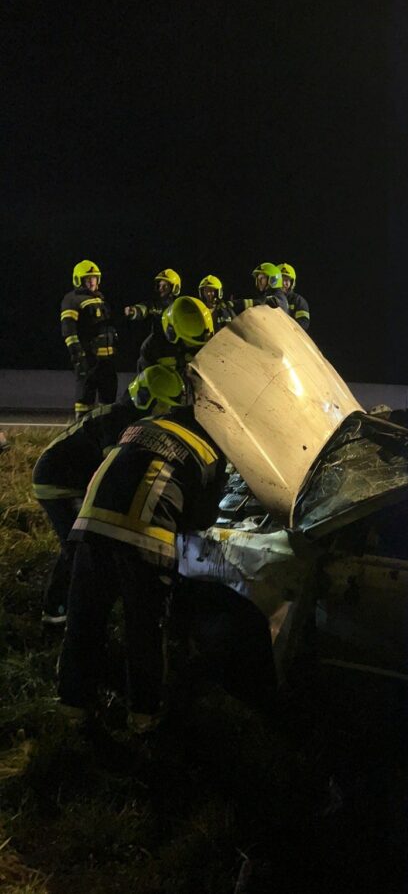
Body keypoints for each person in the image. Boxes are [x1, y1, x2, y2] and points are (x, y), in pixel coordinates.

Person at [58, 367, 227, 731]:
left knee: (84, 621)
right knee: (144, 630)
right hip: (144, 541)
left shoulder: (140, 426)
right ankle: (143, 716)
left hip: (90, 528)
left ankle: (73, 706)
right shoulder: (210, 452)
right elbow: (201, 518)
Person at [30, 369, 172, 625]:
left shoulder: (125, 415)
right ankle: (56, 611)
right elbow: (114, 469)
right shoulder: (118, 421)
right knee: (77, 546)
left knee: (82, 543)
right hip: (57, 482)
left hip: (70, 478)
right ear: (150, 402)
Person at [60, 260, 119, 416]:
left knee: (108, 403)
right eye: (88, 278)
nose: (92, 282)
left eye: (94, 278)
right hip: (89, 359)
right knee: (85, 400)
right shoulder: (72, 299)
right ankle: (82, 427)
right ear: (78, 280)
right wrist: (78, 355)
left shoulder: (101, 299)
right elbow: (68, 330)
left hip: (107, 361)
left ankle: (105, 429)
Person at [136, 296, 214, 374]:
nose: (198, 348)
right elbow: (146, 379)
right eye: (190, 343)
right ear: (172, 333)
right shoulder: (153, 350)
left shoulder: (206, 341)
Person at [279, 262, 310, 331]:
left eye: (286, 280)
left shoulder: (298, 301)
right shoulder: (268, 298)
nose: (283, 283)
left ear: (292, 283)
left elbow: (303, 323)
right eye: (281, 280)